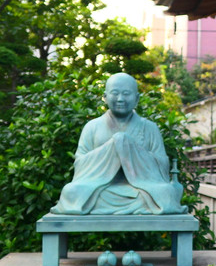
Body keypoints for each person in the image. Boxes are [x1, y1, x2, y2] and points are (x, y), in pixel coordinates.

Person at [52, 73, 187, 215]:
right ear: (104, 97)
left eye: (127, 94)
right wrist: (112, 147)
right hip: (101, 189)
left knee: (167, 192)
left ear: (137, 98)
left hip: (141, 190)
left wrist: (130, 148)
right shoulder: (92, 126)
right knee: (71, 192)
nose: (120, 99)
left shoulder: (150, 127)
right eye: (115, 93)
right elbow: (80, 164)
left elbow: (162, 165)